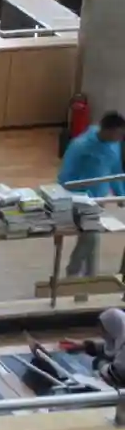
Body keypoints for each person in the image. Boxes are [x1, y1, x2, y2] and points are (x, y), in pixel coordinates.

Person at [60, 111, 125, 277]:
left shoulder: (114, 144)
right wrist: (78, 198)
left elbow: (114, 171)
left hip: (99, 200)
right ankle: (72, 273)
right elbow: (65, 177)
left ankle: (91, 276)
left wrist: (120, 194)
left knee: (91, 238)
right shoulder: (81, 146)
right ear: (108, 131)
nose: (121, 138)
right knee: (91, 238)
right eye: (119, 134)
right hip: (79, 200)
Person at [59, 308, 125, 386]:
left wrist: (100, 364)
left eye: (105, 331)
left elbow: (115, 376)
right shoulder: (121, 338)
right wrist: (84, 346)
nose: (101, 335)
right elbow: (109, 349)